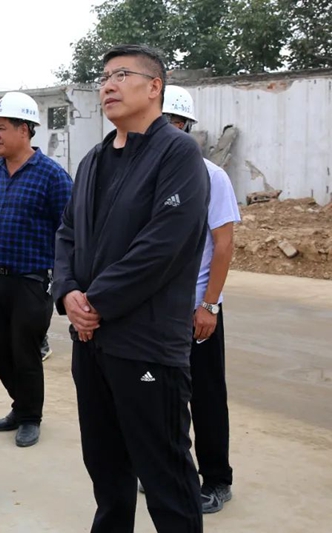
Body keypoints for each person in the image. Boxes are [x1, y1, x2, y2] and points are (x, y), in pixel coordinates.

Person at [52, 44, 209, 533]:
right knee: (105, 466)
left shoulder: (178, 153)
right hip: (91, 342)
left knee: (165, 472)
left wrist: (95, 302)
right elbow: (67, 234)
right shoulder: (93, 160)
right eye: (103, 78)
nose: (108, 85)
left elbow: (162, 246)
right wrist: (68, 292)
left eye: (121, 75)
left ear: (154, 86)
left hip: (146, 344)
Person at [163, 85, 241, 514]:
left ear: (183, 126)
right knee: (161, 396)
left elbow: (223, 245)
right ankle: (172, 471)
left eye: (169, 123)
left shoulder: (211, 176)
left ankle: (216, 479)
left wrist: (209, 305)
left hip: (196, 307)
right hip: (154, 309)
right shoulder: (143, 175)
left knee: (206, 396)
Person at [0, 92, 72, 448]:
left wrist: (64, 278)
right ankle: (21, 405)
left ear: (24, 129)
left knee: (25, 351)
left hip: (33, 280)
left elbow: (70, 230)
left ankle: (30, 417)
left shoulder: (52, 175)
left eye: (1, 128)